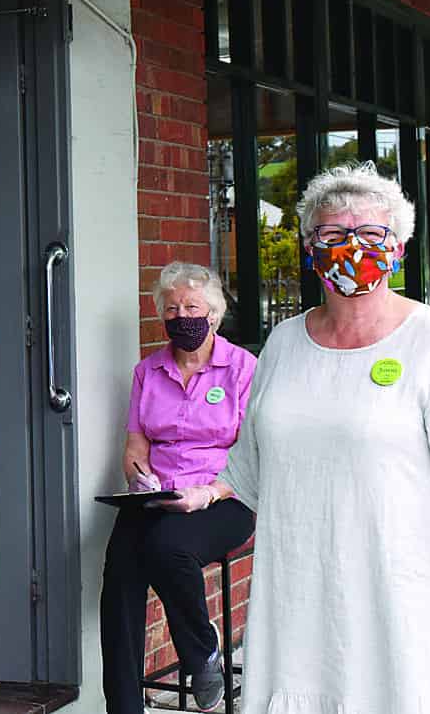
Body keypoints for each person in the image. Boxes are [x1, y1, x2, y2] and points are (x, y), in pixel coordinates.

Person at [219, 162, 430, 714]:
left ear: (398, 247)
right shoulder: (283, 345)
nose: (352, 247)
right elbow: (249, 471)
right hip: (299, 603)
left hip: (403, 603)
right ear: (308, 246)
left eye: (370, 235)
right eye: (332, 234)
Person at [101, 261, 257, 714]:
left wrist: (207, 492)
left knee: (166, 547)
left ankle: (201, 654)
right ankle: (124, 709)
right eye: (171, 308)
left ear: (214, 314)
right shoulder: (148, 371)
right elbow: (136, 442)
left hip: (225, 495)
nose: (181, 315)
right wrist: (139, 478)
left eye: (192, 306)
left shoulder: (243, 369)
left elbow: (256, 452)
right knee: (121, 575)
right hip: (159, 494)